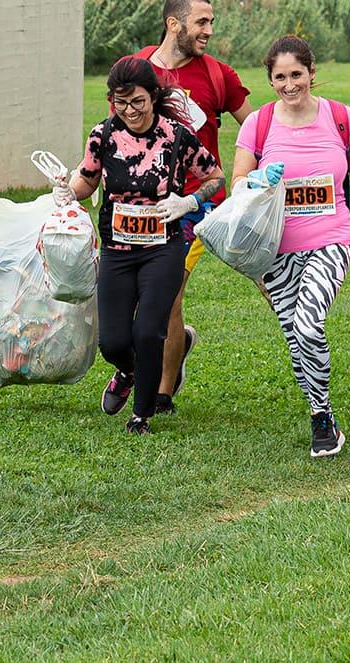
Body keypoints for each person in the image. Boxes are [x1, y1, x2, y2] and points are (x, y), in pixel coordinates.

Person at [230, 36, 350, 457]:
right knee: (296, 337)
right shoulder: (258, 123)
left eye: (297, 74)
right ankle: (320, 411)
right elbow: (238, 183)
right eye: (280, 77)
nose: (290, 84)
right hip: (272, 249)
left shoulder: (341, 117)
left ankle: (322, 416)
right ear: (270, 80)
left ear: (312, 72)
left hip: (330, 240)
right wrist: (254, 181)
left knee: (309, 324)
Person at [63, 57, 224, 435]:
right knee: (113, 340)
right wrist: (65, 193)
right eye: (120, 103)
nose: (129, 111)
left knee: (148, 331)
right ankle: (129, 371)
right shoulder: (103, 136)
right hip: (118, 250)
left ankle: (142, 415)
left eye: (136, 102)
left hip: (162, 248)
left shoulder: (175, 136)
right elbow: (86, 181)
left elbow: (215, 176)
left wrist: (191, 201)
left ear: (153, 97)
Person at [134, 0, 254, 413]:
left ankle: (161, 393)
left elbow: (257, 128)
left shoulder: (219, 75)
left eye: (211, 22)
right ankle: (177, 344)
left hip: (198, 202)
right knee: (137, 293)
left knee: (166, 291)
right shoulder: (137, 68)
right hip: (142, 201)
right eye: (201, 22)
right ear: (174, 24)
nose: (209, 30)